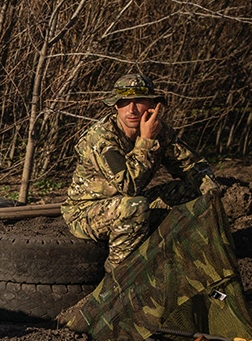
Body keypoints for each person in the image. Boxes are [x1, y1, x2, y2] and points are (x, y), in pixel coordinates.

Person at [62, 73, 219, 274]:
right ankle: (119, 275)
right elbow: (128, 186)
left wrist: (211, 191)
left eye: (139, 101)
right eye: (124, 102)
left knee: (189, 192)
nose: (132, 109)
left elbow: (191, 165)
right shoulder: (101, 138)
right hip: (86, 212)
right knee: (134, 207)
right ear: (116, 106)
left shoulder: (159, 131)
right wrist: (146, 141)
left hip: (129, 203)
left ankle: (173, 255)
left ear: (153, 105)